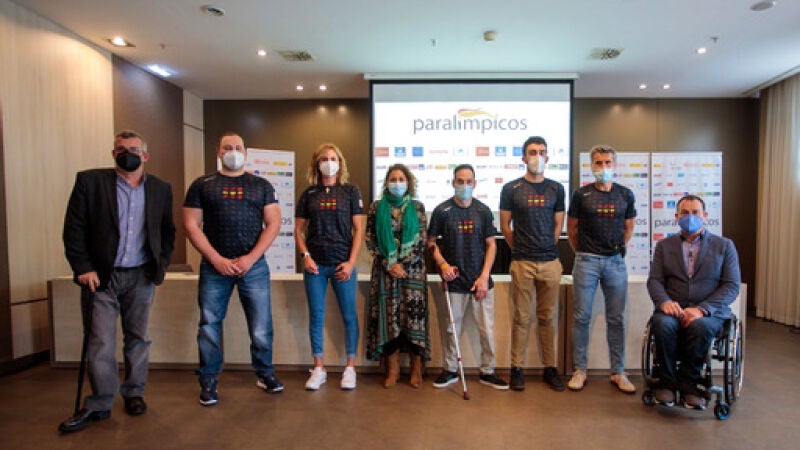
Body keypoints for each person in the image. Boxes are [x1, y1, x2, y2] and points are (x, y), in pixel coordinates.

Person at [59, 130, 175, 433]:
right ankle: (100, 401)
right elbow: (74, 229)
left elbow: (167, 231)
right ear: (113, 153)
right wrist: (83, 267)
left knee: (138, 338)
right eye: (121, 149)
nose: (127, 154)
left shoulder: (160, 188)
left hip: (141, 275)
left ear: (145, 155)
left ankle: (134, 393)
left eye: (134, 149)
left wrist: (160, 265)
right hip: (101, 276)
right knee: (100, 341)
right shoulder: (90, 182)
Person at [183, 132, 283, 406]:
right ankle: (208, 379)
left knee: (261, 325)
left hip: (254, 267)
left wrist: (250, 258)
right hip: (214, 267)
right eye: (228, 147)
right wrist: (216, 259)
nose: (233, 151)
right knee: (209, 325)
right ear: (219, 152)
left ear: (246, 153)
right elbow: (191, 225)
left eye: (238, 147)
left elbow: (274, 223)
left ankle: (265, 373)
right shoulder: (202, 185)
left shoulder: (261, 185)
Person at [647, 195, 740, 410]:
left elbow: (731, 285)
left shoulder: (724, 246)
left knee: (700, 327)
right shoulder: (664, 246)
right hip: (674, 308)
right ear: (676, 217)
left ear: (705, 216)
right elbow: (655, 280)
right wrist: (664, 302)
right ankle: (667, 383)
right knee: (662, 324)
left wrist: (702, 309)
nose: (690, 217)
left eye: (695, 212)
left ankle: (690, 384)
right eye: (685, 213)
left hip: (709, 312)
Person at [429, 164, 508, 390]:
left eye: (468, 181)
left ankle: (488, 371)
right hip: (454, 281)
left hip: (480, 281)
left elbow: (491, 245)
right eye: (460, 181)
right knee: (451, 329)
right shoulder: (442, 211)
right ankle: (450, 369)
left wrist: (484, 277)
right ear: (453, 183)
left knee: (486, 330)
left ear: (475, 183)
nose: (464, 185)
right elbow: (431, 243)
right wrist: (443, 264)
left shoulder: (483, 211)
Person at [567, 144, 637, 393]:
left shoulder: (625, 194)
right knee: (581, 317)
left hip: (615, 262)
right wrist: (583, 252)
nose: (603, 167)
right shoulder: (581, 195)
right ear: (592, 165)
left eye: (608, 162)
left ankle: (618, 371)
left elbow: (629, 227)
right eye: (599, 163)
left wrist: (615, 249)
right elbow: (572, 228)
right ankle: (580, 370)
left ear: (614, 165)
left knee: (616, 318)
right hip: (586, 261)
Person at [295, 143, 365, 390]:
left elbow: (359, 230)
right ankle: (319, 368)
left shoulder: (350, 191)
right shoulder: (309, 194)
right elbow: (298, 230)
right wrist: (305, 256)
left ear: (340, 163)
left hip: (342, 265)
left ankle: (350, 368)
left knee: (349, 315)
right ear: (317, 164)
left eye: (333, 158)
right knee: (316, 315)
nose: (329, 162)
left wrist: (351, 262)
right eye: (324, 158)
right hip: (315, 266)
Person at [499, 136, 566, 391]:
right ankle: (517, 368)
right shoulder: (511, 188)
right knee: (521, 318)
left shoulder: (556, 189)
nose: (537, 156)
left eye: (541, 152)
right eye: (532, 152)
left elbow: (558, 225)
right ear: (523, 157)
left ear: (547, 157)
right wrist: (520, 248)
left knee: (548, 317)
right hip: (522, 262)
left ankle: (550, 368)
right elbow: (505, 226)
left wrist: (545, 246)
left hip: (550, 262)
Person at [365, 163, 429, 388]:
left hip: (413, 274)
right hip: (385, 273)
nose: (397, 183)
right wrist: (389, 264)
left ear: (408, 183)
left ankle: (416, 368)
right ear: (386, 183)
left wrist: (403, 264)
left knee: (414, 320)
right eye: (393, 179)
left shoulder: (418, 208)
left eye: (401, 179)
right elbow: (370, 240)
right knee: (388, 320)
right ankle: (392, 369)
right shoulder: (376, 208)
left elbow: (421, 240)